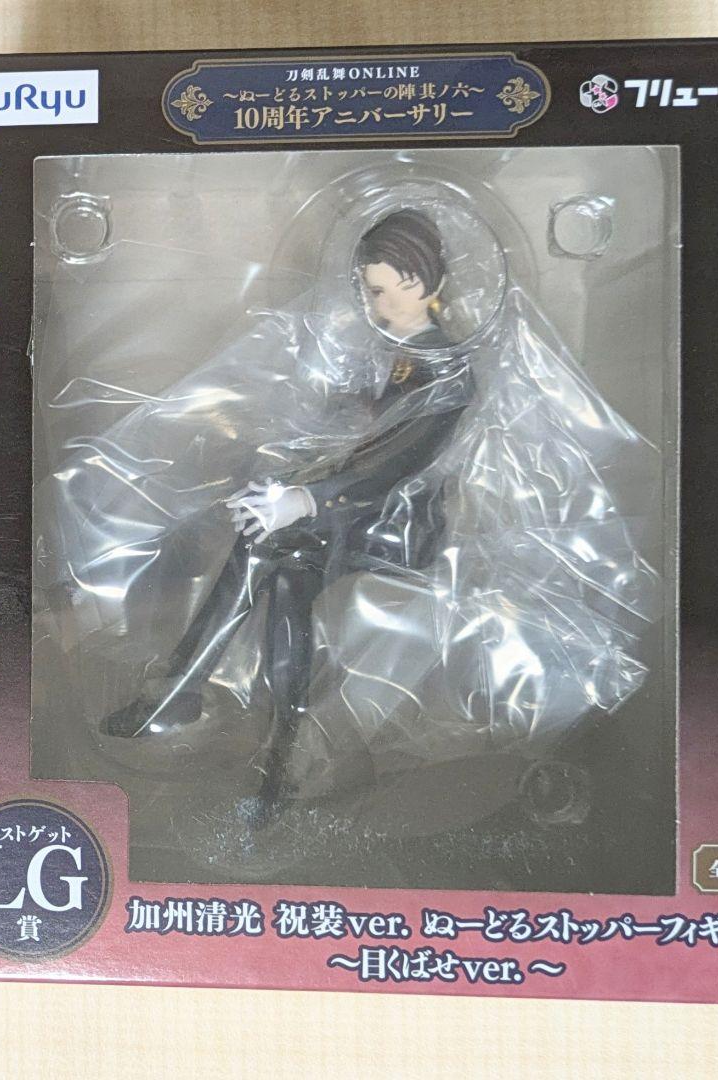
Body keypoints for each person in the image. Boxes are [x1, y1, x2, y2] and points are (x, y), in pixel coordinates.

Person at [103, 209, 475, 823]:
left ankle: (197, 699)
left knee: (270, 548)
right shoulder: (403, 353)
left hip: (397, 526)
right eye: (367, 291)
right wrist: (297, 459)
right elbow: (367, 435)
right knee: (282, 570)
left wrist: (306, 500)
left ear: (416, 281)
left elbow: (395, 465)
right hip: (355, 511)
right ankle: (281, 744)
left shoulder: (446, 368)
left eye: (379, 290)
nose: (372, 304)